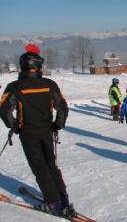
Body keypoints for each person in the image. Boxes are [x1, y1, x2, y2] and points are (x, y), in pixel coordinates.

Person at [0, 44, 74, 216]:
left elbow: (4, 110)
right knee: (51, 165)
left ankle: (53, 203)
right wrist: (58, 125)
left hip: (28, 133)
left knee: (40, 167)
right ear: (38, 66)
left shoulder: (15, 87)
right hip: (47, 131)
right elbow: (62, 107)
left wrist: (15, 126)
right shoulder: (49, 84)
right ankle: (63, 199)